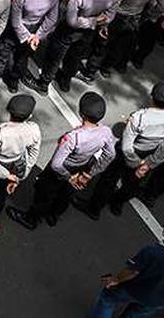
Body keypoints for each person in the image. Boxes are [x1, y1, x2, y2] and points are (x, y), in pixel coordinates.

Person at [8, 91, 115, 229]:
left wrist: (69, 177)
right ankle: (53, 215)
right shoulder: (106, 132)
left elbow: (57, 164)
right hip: (83, 167)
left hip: (63, 170)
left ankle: (31, 219)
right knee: (66, 194)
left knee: (44, 194)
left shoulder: (73, 137)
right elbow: (110, 154)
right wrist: (90, 173)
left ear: (81, 113)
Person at [90, 81, 164, 216]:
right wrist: (149, 163)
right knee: (132, 184)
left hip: (128, 154)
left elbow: (126, 146)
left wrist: (135, 162)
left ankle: (94, 208)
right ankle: (117, 203)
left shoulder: (139, 117)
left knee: (108, 180)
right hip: (148, 154)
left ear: (152, 97)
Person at [25, 0, 117, 93]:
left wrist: (90, 21)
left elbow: (72, 21)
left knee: (55, 57)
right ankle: (65, 81)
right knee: (75, 56)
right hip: (89, 32)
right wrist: (100, 23)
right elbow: (109, 16)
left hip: (69, 32)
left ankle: (44, 83)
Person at [87, 219, 164, 318]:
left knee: (107, 299)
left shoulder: (153, 251)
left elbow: (133, 271)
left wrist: (116, 279)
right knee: (136, 314)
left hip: (135, 290)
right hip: (160, 300)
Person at [0, 0, 61, 94]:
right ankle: (13, 83)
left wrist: (26, 36)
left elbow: (15, 21)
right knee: (23, 57)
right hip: (35, 29)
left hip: (20, 29)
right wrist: (37, 36)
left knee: (4, 54)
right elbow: (51, 19)